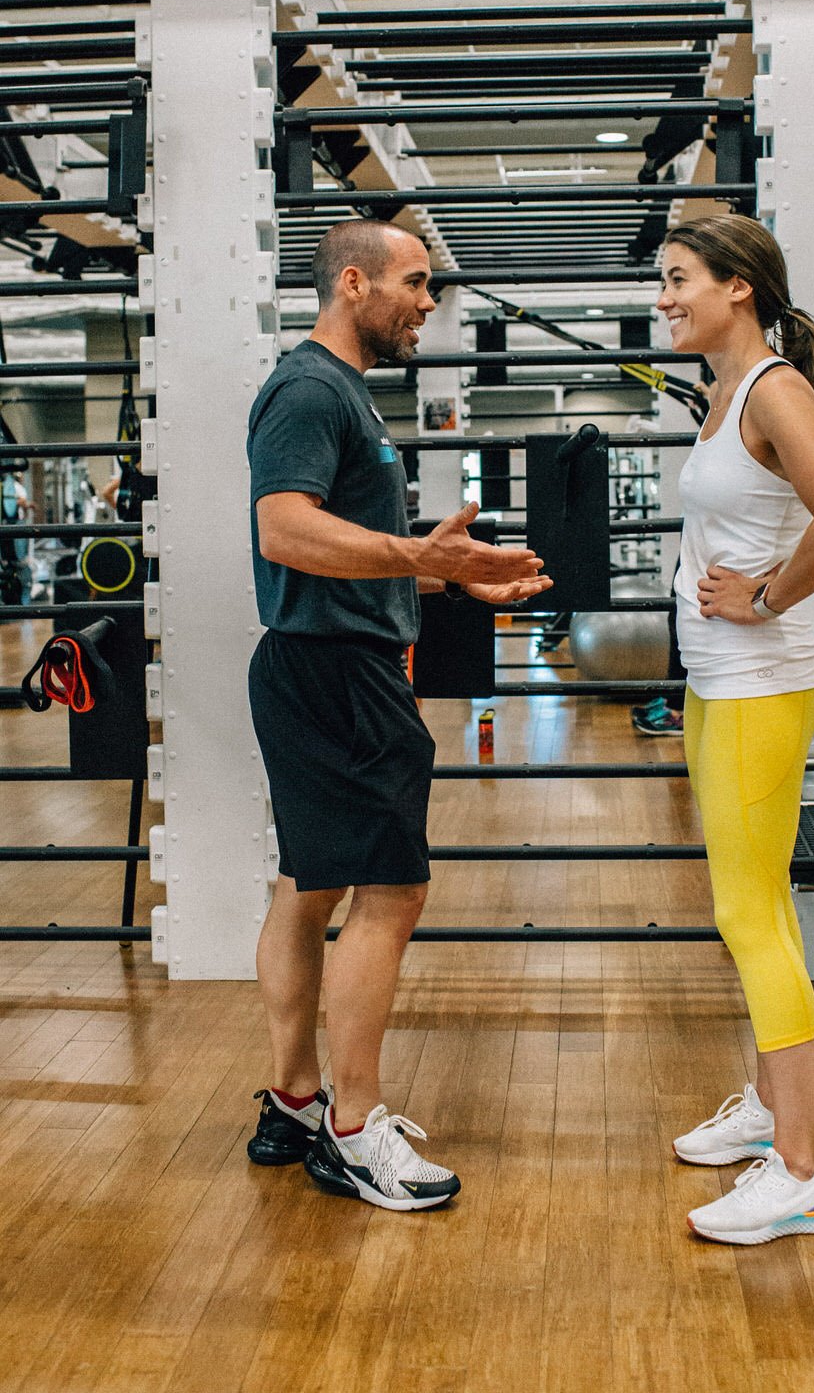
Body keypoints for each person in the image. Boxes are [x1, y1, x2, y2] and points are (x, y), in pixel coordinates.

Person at [245, 218, 551, 1211]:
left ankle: (294, 1100)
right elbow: (286, 531)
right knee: (390, 892)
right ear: (351, 282)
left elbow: (341, 556)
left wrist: (449, 581)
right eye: (415, 283)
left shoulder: (337, 392)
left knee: (309, 886)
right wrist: (422, 558)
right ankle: (350, 1129)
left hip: (322, 662)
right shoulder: (307, 388)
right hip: (335, 678)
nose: (427, 302)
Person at [659, 214, 814, 1245]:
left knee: (749, 918)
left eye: (678, 278)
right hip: (716, 684)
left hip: (755, 684)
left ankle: (800, 1170)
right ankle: (764, 1107)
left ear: (737, 286)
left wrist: (767, 596)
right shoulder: (727, 392)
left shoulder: (773, 389)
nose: (664, 297)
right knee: (758, 903)